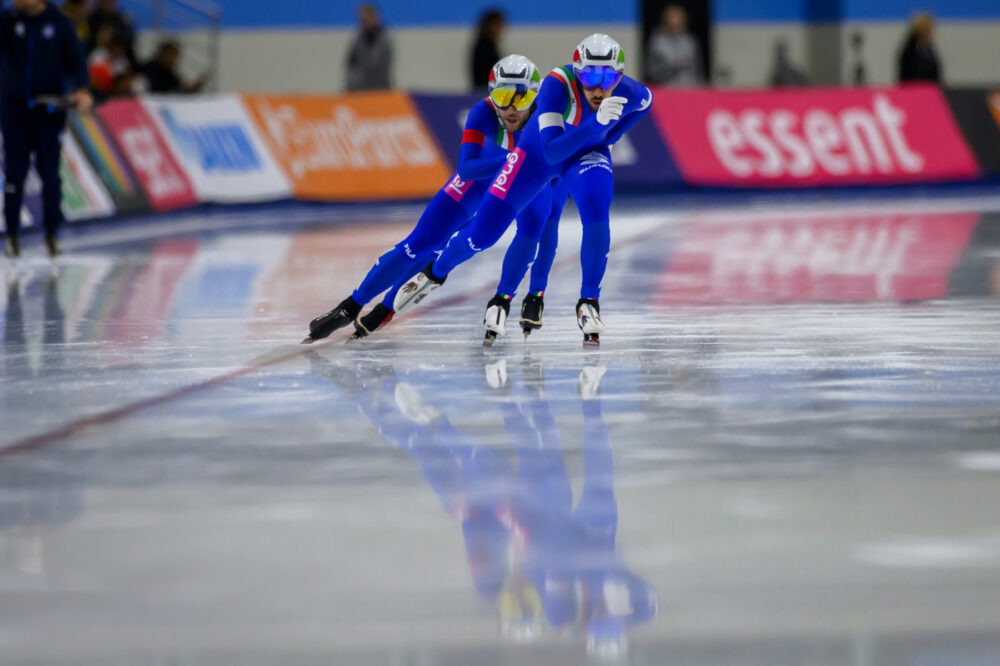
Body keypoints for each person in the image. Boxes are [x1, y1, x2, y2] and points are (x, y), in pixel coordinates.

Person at [393, 34, 653, 346]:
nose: (598, 88)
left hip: (585, 154)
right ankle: (436, 272)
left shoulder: (629, 92)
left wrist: (609, 136)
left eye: (607, 78)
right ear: (576, 70)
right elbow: (553, 152)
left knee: (596, 206)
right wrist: (598, 124)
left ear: (620, 76)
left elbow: (646, 102)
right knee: (482, 236)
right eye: (588, 77)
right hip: (537, 157)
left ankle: (589, 301)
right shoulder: (557, 85)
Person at [303, 55, 564, 343]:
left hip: (524, 187)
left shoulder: (547, 120)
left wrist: (533, 292)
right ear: (491, 95)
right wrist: (516, 158)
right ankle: (349, 307)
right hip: (478, 183)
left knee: (535, 224)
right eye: (502, 96)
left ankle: (388, 306)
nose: (511, 107)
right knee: (418, 245)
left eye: (521, 97)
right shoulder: (484, 112)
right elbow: (466, 168)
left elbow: (547, 219)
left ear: (535, 96)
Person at [0, 0, 92, 260]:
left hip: (49, 111)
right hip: (15, 110)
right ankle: (12, 235)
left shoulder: (60, 23)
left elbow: (75, 62)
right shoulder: (8, 21)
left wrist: (81, 90)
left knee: (49, 173)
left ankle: (52, 233)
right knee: (14, 175)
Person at [645, 5, 703, 86]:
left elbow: (698, 69)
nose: (676, 25)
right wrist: (673, 67)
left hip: (689, 88)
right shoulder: (657, 43)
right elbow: (652, 72)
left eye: (679, 23)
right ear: (666, 22)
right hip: (666, 88)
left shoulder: (690, 41)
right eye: (672, 22)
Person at [345, 4, 391, 92]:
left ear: (374, 18)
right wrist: (351, 85)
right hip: (360, 90)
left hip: (380, 90)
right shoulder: (358, 41)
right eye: (361, 20)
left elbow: (384, 67)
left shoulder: (384, 40)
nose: (364, 22)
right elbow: (350, 65)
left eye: (366, 19)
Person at [141, 39, 206, 94]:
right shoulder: (147, 69)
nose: (174, 60)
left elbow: (179, 88)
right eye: (172, 56)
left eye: (176, 57)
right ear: (163, 53)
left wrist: (190, 89)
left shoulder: (169, 73)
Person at [897, 12, 940, 83]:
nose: (931, 33)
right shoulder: (910, 50)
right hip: (914, 89)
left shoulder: (929, 49)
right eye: (927, 30)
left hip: (930, 89)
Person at [470, 9, 504, 90]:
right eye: (498, 25)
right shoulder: (485, 46)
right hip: (485, 92)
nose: (501, 29)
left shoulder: (487, 44)